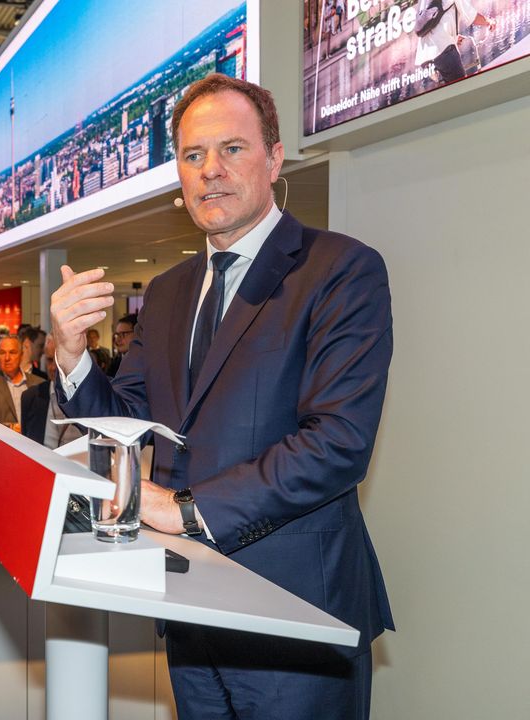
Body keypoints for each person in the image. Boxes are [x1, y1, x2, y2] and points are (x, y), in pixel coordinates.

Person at [50, 74, 393, 719]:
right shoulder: (170, 290)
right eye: (192, 155)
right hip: (189, 606)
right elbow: (127, 421)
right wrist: (71, 355)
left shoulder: (340, 270)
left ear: (275, 158)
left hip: (295, 614)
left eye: (232, 149)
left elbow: (338, 442)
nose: (211, 171)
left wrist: (186, 509)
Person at [20, 337, 82, 449]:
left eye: (59, 360)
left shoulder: (92, 398)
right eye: (49, 360)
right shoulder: (31, 397)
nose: (53, 367)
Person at [413, 0, 495, 85]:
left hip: (424, 58)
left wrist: (454, 37)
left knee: (447, 93)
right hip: (443, 50)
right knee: (462, 90)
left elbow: (431, 20)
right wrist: (488, 21)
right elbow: (471, 16)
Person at [0, 335, 43, 430]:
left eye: (12, 352)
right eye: (2, 353)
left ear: (21, 355)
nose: (7, 358)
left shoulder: (38, 383)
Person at [107, 313, 137, 378]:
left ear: (137, 333)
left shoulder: (147, 363)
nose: (117, 340)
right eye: (117, 334)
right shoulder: (114, 364)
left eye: (123, 334)